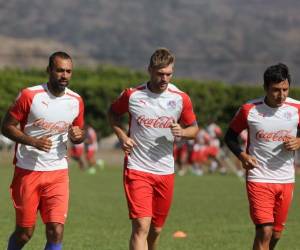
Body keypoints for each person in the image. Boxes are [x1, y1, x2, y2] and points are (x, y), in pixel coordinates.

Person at [108, 48, 199, 250]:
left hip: (165, 171)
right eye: (160, 74)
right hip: (137, 168)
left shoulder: (180, 98)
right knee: (141, 226)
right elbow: (112, 114)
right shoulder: (132, 95)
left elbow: (194, 129)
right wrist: (122, 135)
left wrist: (182, 132)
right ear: (150, 70)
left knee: (155, 230)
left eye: (168, 74)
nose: (164, 78)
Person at [1, 51, 85, 250]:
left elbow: (78, 133)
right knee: (25, 233)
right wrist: (32, 141)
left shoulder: (76, 101)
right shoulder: (30, 95)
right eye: (59, 70)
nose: (64, 75)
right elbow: (6, 126)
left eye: (68, 71)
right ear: (49, 70)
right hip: (28, 171)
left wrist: (77, 137)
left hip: (57, 172)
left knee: (56, 230)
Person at [224, 63, 299, 250]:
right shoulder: (250, 110)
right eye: (275, 90)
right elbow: (230, 136)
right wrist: (242, 156)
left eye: (285, 89)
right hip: (259, 177)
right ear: (265, 88)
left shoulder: (296, 108)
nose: (281, 95)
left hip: (286, 179)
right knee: (264, 231)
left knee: (276, 234)